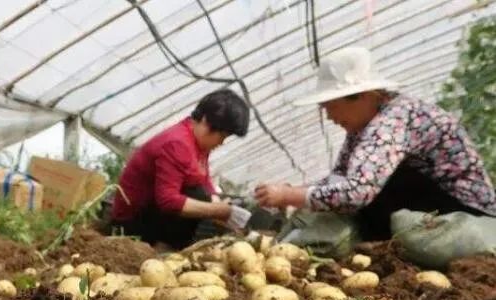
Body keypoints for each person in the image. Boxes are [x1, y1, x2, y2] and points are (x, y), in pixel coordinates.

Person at [254, 46, 496, 242]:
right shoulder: (364, 126)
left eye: (330, 107)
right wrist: (295, 190)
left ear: (359, 96)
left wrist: (289, 195)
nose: (328, 116)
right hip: (431, 203)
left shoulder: (393, 120)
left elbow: (358, 191)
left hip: (464, 211)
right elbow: (339, 178)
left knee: (371, 194)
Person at [103, 88, 253, 249]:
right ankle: (162, 249)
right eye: (222, 136)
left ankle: (166, 247)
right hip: (130, 224)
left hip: (152, 214)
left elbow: (202, 178)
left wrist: (215, 198)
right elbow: (168, 201)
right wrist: (218, 210)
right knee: (198, 196)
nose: (222, 142)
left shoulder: (198, 142)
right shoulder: (178, 144)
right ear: (205, 121)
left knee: (202, 195)